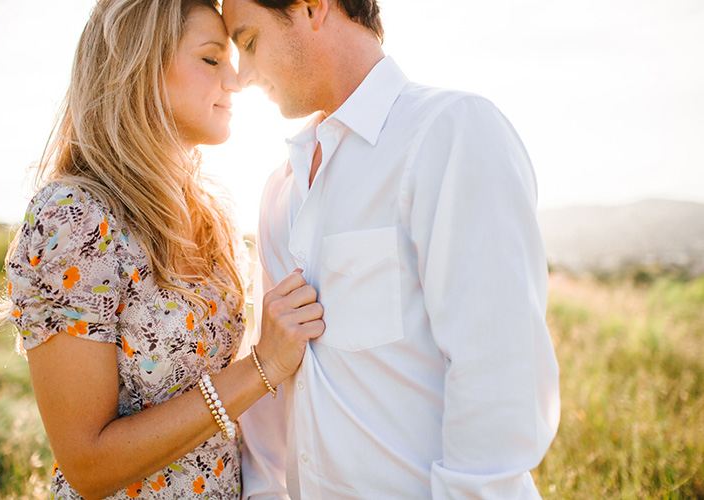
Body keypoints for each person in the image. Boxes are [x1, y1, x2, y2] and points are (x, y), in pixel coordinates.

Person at [221, 0, 561, 498]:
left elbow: (499, 384)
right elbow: (274, 398)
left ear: (314, 8)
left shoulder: (449, 133)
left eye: (248, 42)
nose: (242, 75)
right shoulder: (280, 189)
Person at [0, 0, 325, 498]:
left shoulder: (209, 214)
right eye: (211, 60)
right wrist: (260, 368)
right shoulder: (75, 216)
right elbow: (87, 464)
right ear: (138, 67)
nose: (235, 81)